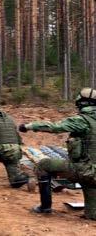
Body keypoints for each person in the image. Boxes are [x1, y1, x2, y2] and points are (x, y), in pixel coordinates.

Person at [19, 87, 96, 219]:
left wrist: (29, 126)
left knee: (44, 165)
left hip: (85, 171)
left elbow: (54, 127)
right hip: (92, 175)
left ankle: (45, 207)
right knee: (92, 215)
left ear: (81, 103)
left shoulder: (82, 120)